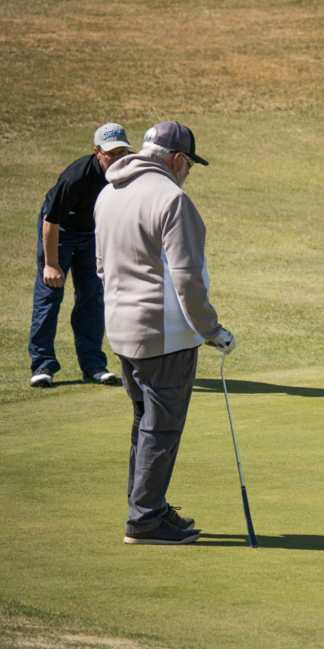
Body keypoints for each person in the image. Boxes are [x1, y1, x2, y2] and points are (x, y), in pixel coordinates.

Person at [94, 121, 236, 545]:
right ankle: (145, 519)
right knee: (162, 426)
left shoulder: (108, 193)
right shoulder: (172, 199)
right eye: (189, 163)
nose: (188, 172)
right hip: (165, 335)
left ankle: (147, 506)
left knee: (145, 421)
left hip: (121, 330)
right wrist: (213, 332)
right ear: (177, 160)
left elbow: (102, 268)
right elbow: (188, 279)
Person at [28, 123, 132, 388]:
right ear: (97, 152)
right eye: (111, 153)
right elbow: (50, 221)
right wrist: (51, 264)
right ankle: (42, 365)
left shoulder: (129, 173)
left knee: (92, 298)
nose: (118, 158)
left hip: (92, 236)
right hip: (59, 232)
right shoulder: (74, 178)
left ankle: (93, 365)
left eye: (123, 152)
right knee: (49, 297)